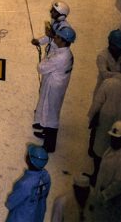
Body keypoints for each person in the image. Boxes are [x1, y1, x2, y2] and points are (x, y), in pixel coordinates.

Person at [32, 21, 75, 152]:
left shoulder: (60, 57)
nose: (54, 37)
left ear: (63, 40)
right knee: (48, 109)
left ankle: (49, 145)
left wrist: (46, 58)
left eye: (57, 37)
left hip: (54, 87)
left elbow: (41, 68)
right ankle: (45, 131)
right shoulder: (64, 51)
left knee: (51, 113)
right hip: (56, 84)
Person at [89, 53, 121, 182]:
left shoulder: (109, 83)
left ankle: (95, 175)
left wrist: (91, 117)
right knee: (115, 152)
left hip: (105, 121)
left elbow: (97, 103)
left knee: (100, 148)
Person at [90, 120, 121, 222]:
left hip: (110, 203)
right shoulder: (111, 150)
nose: (113, 141)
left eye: (116, 139)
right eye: (112, 138)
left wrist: (103, 196)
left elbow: (119, 184)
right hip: (101, 198)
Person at [4, 144, 50, 222]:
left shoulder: (24, 183)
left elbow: (11, 202)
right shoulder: (46, 176)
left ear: (28, 160)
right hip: (37, 214)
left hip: (21, 218)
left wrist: (8, 202)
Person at [94, 30, 121, 96]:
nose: (120, 50)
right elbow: (105, 74)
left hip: (117, 90)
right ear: (111, 44)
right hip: (103, 90)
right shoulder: (102, 56)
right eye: (118, 47)